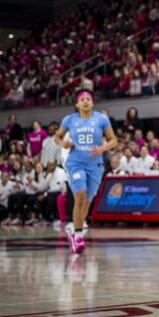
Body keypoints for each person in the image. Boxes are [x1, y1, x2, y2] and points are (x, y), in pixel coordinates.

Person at [54, 89, 117, 254]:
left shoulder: (101, 119)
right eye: (82, 99)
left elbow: (113, 140)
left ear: (92, 102)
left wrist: (102, 148)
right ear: (77, 104)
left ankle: (75, 232)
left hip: (95, 165)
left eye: (88, 99)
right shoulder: (69, 120)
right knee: (79, 196)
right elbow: (57, 137)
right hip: (75, 162)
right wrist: (63, 144)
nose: (85, 101)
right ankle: (78, 235)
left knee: (87, 203)